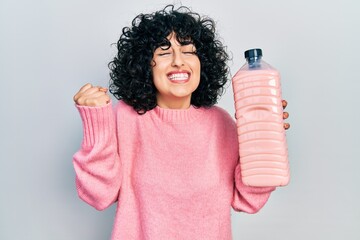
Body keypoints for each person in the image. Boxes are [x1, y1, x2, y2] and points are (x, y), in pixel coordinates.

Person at [72, 5, 290, 240]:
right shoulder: (126, 118)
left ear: (202, 63)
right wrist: (96, 122)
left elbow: (248, 200)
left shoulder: (221, 124)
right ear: (145, 65)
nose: (178, 61)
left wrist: (263, 142)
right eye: (164, 53)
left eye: (188, 51)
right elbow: (99, 194)